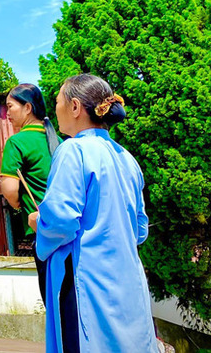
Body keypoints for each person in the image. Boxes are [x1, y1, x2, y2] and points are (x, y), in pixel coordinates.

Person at [28, 74, 157, 353]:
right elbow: (140, 228)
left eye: (59, 101)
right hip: (128, 282)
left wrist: (39, 222)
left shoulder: (72, 150)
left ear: (75, 107)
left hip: (85, 281)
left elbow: (61, 221)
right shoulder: (127, 158)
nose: (56, 108)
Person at [0, 83, 59, 304]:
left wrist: (17, 206)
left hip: (41, 228)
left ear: (27, 108)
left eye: (10, 107)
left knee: (51, 296)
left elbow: (10, 189)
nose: (7, 114)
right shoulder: (59, 142)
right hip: (68, 229)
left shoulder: (17, 142)